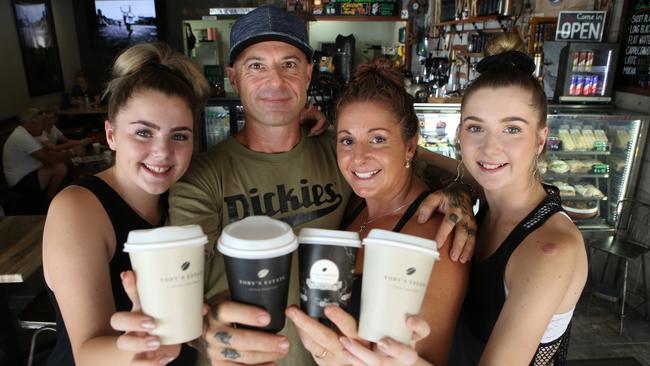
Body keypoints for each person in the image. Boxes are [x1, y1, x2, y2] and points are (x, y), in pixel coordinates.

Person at [112, 6, 477, 366]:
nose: (275, 81)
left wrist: (460, 192)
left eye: (289, 64)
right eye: (256, 66)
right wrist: (211, 328)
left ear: (308, 74)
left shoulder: (338, 153)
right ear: (233, 78)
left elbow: (399, 160)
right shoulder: (201, 177)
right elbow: (181, 285)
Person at [286, 59, 469, 366]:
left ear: (410, 147)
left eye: (378, 139)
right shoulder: (355, 203)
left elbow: (429, 357)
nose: (359, 157)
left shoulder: (439, 238)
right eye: (347, 140)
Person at [42, 42, 211, 366]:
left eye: (179, 136)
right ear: (111, 135)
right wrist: (144, 344)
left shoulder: (183, 200)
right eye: (143, 133)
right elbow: (87, 353)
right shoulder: (78, 208)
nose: (162, 152)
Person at [449, 51, 588, 365]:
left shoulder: (550, 249)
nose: (489, 147)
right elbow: (444, 165)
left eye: (511, 129)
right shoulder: (490, 200)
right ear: (459, 135)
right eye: (475, 128)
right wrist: (455, 187)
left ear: (540, 140)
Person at [3, 107, 73, 213]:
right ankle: (49, 201)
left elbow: (47, 154)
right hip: (20, 182)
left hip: (30, 173)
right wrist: (71, 152)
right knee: (59, 167)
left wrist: (66, 154)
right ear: (32, 123)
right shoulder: (22, 137)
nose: (44, 127)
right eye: (42, 123)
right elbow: (49, 159)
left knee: (61, 162)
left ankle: (54, 197)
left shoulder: (26, 133)